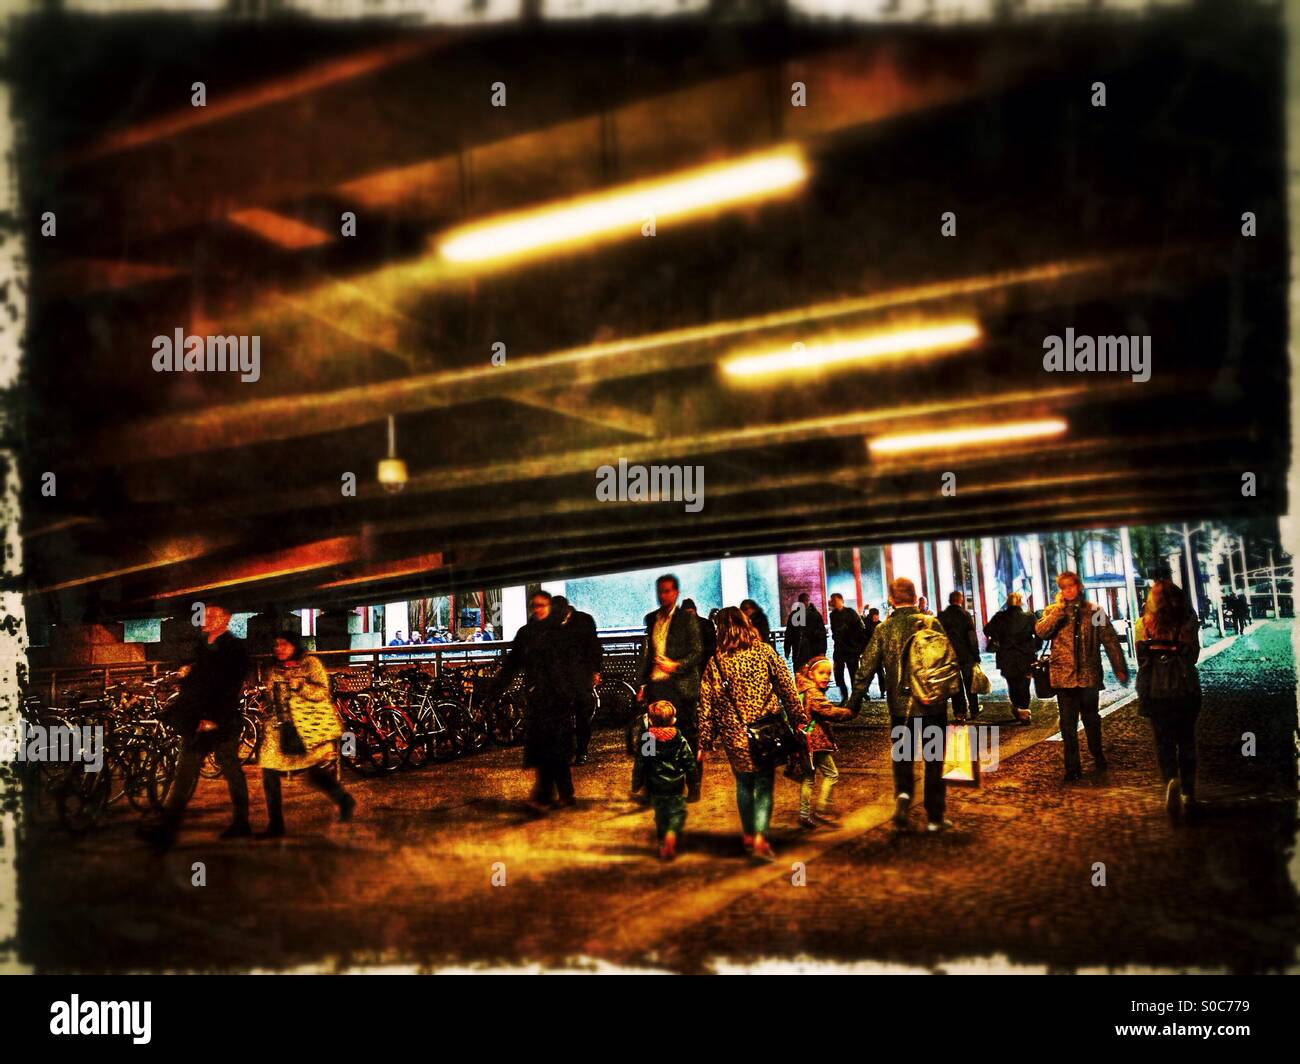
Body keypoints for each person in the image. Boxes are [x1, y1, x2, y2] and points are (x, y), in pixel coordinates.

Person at [699, 606, 807, 861]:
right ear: (746, 624)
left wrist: (705, 739)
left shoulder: (716, 662)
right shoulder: (765, 652)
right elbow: (787, 688)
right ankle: (760, 839)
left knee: (744, 783)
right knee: (764, 785)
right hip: (766, 731)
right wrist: (798, 719)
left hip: (734, 734)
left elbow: (706, 704)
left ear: (721, 630)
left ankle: (749, 835)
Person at [140, 602, 252, 850]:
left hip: (220, 723)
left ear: (225, 619)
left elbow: (230, 689)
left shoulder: (234, 649)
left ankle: (242, 822)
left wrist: (216, 719)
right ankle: (166, 832)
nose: (206, 618)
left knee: (232, 770)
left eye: (212, 614)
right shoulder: (200, 643)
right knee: (184, 775)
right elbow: (197, 674)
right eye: (204, 614)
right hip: (196, 720)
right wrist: (186, 671)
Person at [847, 577, 952, 832]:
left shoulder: (884, 629)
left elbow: (866, 666)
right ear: (916, 597)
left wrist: (854, 701)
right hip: (932, 705)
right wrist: (958, 701)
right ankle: (935, 817)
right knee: (934, 759)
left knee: (903, 758)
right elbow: (948, 662)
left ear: (892, 600)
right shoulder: (932, 623)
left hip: (900, 708)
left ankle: (903, 799)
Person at [1034, 571, 1129, 782]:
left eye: (1071, 586)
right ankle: (1072, 768)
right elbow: (1040, 632)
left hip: (1088, 676)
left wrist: (1119, 667)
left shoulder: (1095, 611)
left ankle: (1097, 754)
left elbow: (1110, 640)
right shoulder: (1053, 611)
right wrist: (1058, 613)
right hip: (1064, 678)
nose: (1068, 590)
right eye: (1064, 587)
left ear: (1079, 587)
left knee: (1091, 720)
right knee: (1067, 725)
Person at [257, 633, 354, 838]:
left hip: (305, 729)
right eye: (276, 644)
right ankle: (275, 825)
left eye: (284, 644)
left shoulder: (310, 664)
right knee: (269, 773)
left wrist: (301, 686)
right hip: (278, 730)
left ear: (294, 646)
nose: (279, 649)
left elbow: (322, 693)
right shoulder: (274, 668)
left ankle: (344, 800)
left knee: (314, 773)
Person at [488, 590, 576, 812]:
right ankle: (562, 793)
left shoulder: (558, 634)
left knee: (550, 747)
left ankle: (544, 796)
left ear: (548, 607)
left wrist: (570, 691)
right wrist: (496, 688)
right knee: (550, 747)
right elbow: (512, 664)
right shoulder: (527, 633)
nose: (538, 610)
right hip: (540, 697)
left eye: (541, 605)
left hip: (556, 697)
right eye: (535, 606)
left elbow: (569, 666)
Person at [1134, 580, 1202, 818]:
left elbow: (1141, 659)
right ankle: (1189, 793)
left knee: (1163, 742)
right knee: (1186, 740)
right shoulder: (1186, 622)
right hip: (1185, 689)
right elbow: (1193, 655)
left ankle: (1170, 780)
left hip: (1155, 691)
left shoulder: (1142, 624)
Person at [636, 574, 703, 801]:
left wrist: (676, 666)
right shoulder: (652, 618)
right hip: (657, 685)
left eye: (667, 591)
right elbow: (649, 654)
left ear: (675, 593)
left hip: (680, 686)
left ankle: (693, 784)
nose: (663, 595)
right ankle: (650, 784)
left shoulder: (687, 619)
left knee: (686, 736)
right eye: (660, 591)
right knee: (649, 735)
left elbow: (697, 652)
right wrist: (643, 684)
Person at [631, 700, 697, 861]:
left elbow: (642, 762)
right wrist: (694, 785)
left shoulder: (649, 739)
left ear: (651, 721)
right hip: (675, 785)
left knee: (660, 815)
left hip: (655, 785)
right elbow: (689, 763)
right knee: (677, 813)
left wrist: (637, 782)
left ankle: (662, 843)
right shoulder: (679, 740)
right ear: (673, 719)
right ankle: (671, 836)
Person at [794, 656, 855, 829]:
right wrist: (849, 712)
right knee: (831, 774)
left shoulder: (802, 689)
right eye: (821, 673)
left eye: (828, 673)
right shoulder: (813, 693)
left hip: (804, 741)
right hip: (816, 742)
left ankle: (804, 815)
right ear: (811, 674)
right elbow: (829, 711)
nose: (826, 677)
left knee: (808, 779)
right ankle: (821, 811)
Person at [551, 595, 602, 766]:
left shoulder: (583, 620)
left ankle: (581, 751)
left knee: (582, 716)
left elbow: (594, 646)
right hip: (563, 677)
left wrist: (596, 670)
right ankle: (572, 750)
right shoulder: (578, 620)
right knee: (564, 716)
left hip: (581, 675)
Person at [982, 593, 1038, 724]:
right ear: (1019, 602)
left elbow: (987, 630)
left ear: (1007, 603)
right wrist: (1035, 647)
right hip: (1026, 656)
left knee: (1012, 684)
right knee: (1024, 684)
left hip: (1007, 656)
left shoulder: (999, 617)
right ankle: (1024, 709)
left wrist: (998, 636)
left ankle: (1018, 707)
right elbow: (1039, 633)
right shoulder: (1029, 617)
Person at [938, 591, 981, 720]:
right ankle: (974, 709)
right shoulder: (965, 615)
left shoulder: (942, 616)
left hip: (949, 655)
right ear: (960, 600)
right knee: (969, 683)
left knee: (955, 685)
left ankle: (959, 712)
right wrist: (976, 655)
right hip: (965, 655)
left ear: (950, 600)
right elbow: (971, 637)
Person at [828, 593, 868, 704]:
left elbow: (861, 629)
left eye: (834, 600)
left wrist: (858, 647)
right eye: (832, 601)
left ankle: (857, 697)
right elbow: (834, 630)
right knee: (838, 674)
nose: (833, 603)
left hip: (851, 649)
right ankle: (844, 696)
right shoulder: (833, 615)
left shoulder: (851, 613)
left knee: (854, 674)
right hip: (839, 649)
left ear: (841, 600)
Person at [784, 592, 827, 673]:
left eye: (806, 601)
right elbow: (789, 634)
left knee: (812, 674)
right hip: (799, 650)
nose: (804, 603)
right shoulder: (795, 616)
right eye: (803, 601)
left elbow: (822, 635)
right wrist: (787, 648)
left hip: (812, 650)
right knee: (800, 672)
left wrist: (822, 651)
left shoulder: (815, 615)